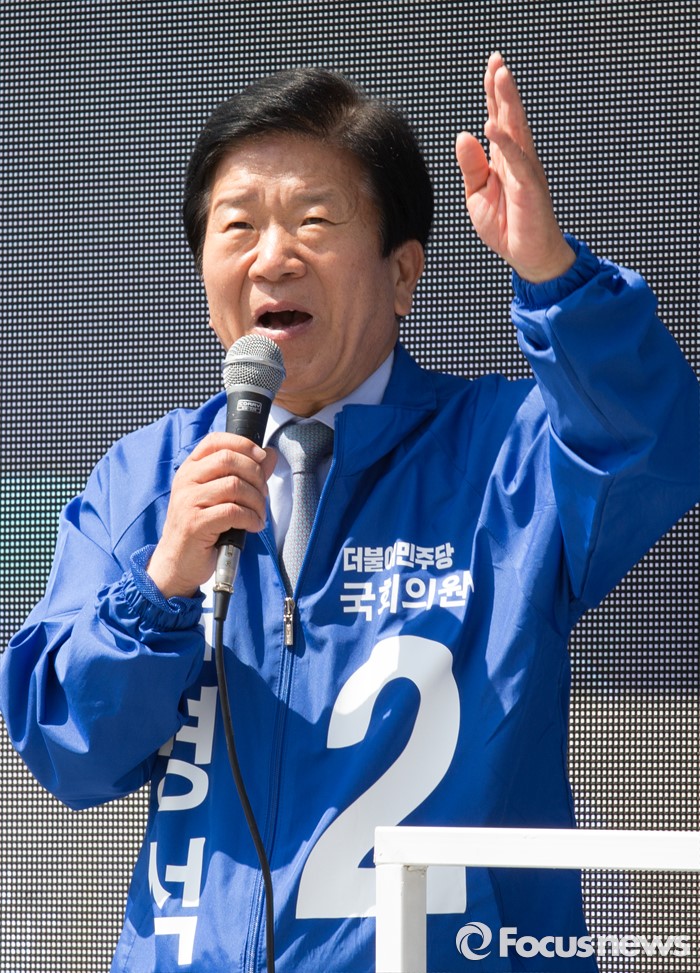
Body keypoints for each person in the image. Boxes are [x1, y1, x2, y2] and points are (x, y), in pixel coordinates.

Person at [1, 53, 697, 973]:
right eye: (237, 224)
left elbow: (654, 441)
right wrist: (160, 587)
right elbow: (69, 749)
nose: (272, 256)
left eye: (314, 221)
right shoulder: (145, 479)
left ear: (403, 273)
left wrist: (553, 275)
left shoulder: (506, 451)